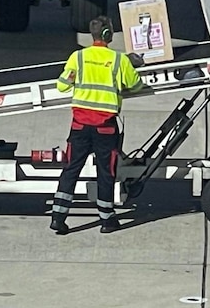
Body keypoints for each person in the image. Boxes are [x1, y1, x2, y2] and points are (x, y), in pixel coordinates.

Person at [50, 15, 144, 235]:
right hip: (105, 128)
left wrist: (73, 77)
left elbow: (62, 86)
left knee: (71, 170)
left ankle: (58, 217)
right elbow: (136, 86)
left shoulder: (78, 57)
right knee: (105, 173)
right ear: (107, 35)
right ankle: (107, 220)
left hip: (80, 126)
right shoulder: (119, 60)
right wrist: (133, 64)